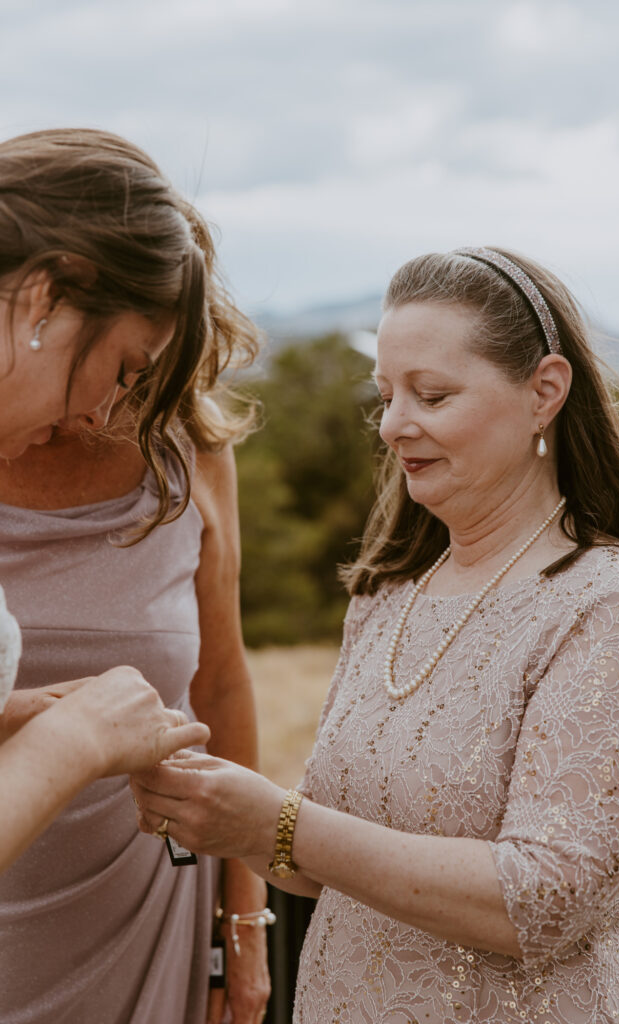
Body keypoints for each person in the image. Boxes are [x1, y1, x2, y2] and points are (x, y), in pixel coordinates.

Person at [133, 246, 619, 1023]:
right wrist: (216, 808)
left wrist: (279, 822)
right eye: (385, 394)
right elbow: (322, 865)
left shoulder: (611, 602)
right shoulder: (389, 594)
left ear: (544, 392)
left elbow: (546, 902)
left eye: (432, 394)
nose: (394, 426)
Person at [0, 128, 268, 1023]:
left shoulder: (184, 456)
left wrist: (245, 921)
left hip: (141, 913)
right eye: (123, 368)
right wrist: (75, 738)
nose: (112, 407)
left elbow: (220, 684)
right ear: (46, 297)